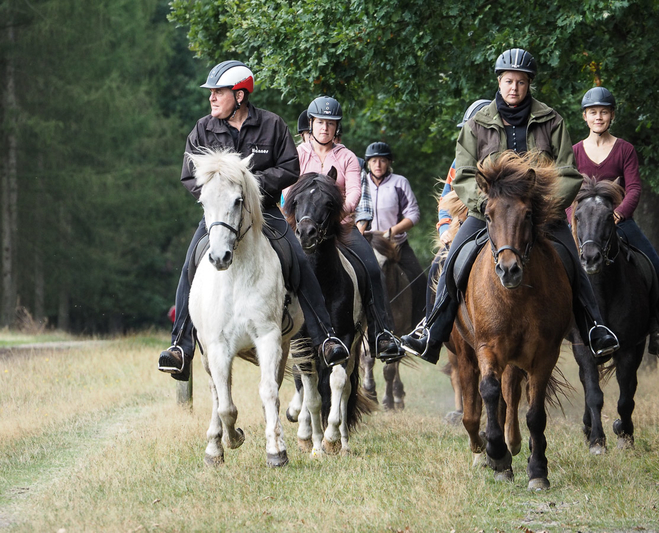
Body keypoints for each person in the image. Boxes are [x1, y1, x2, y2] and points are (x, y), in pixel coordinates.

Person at [401, 48, 619, 364]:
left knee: (572, 262)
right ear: (499, 82)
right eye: (507, 81)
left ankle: (595, 329)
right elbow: (462, 173)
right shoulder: (477, 123)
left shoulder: (551, 120)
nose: (513, 88)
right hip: (488, 213)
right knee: (455, 262)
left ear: (528, 83)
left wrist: (547, 205)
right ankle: (431, 332)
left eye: (520, 81)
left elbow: (569, 173)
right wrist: (485, 205)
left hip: (538, 216)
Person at [158, 61, 349, 380]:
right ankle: (181, 347)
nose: (212, 99)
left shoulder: (273, 125)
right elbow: (188, 177)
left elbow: (290, 167)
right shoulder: (203, 128)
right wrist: (219, 193)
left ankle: (325, 338)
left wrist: (249, 185)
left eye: (218, 92)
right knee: (191, 264)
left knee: (298, 259)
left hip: (265, 212)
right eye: (211, 93)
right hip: (220, 217)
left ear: (240, 95)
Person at [290, 96, 402, 361]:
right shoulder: (297, 154)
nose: (325, 128)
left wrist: (335, 215)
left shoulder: (348, 157)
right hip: (301, 227)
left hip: (338, 228)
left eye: (330, 124)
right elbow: (287, 189)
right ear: (311, 123)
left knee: (372, 268)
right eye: (320, 123)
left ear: (336, 127)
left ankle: (381, 334)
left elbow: (353, 192)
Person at [575, 86, 659, 352]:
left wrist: (619, 213)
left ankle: (656, 327)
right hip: (583, 226)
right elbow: (567, 193)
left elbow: (634, 187)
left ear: (611, 115)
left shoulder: (625, 149)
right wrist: (573, 221)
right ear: (585, 117)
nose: (598, 117)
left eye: (603, 112)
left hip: (618, 222)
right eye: (593, 112)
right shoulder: (575, 152)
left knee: (654, 263)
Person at [355, 141, 426, 325]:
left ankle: (420, 327)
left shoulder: (399, 182)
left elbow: (413, 214)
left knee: (419, 280)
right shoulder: (360, 183)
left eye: (382, 161)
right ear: (368, 163)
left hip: (396, 244)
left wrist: (392, 231)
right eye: (373, 161)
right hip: (367, 243)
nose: (377, 165)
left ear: (389, 163)